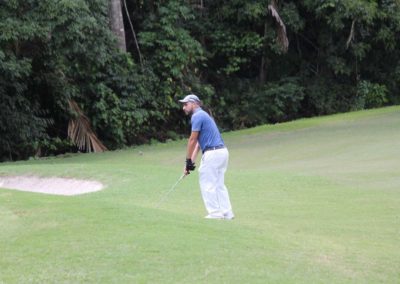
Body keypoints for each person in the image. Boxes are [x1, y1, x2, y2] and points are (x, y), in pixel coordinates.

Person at [179, 94, 234, 220]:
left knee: (207, 182)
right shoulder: (204, 115)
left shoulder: (197, 116)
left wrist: (187, 160)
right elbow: (199, 144)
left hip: (213, 153)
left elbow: (192, 140)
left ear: (194, 103)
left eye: (185, 104)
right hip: (222, 152)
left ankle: (215, 213)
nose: (183, 107)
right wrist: (190, 163)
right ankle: (227, 212)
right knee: (219, 184)